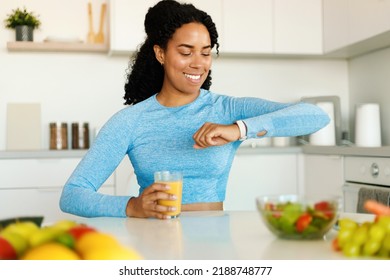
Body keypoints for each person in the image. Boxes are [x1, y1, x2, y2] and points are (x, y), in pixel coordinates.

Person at [59, 0, 330, 219]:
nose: (198, 63)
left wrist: (238, 130)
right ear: (161, 54)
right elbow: (72, 195)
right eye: (186, 52)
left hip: (215, 238)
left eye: (206, 52)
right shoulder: (131, 120)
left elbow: (315, 116)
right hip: (153, 239)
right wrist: (133, 207)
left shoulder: (227, 110)